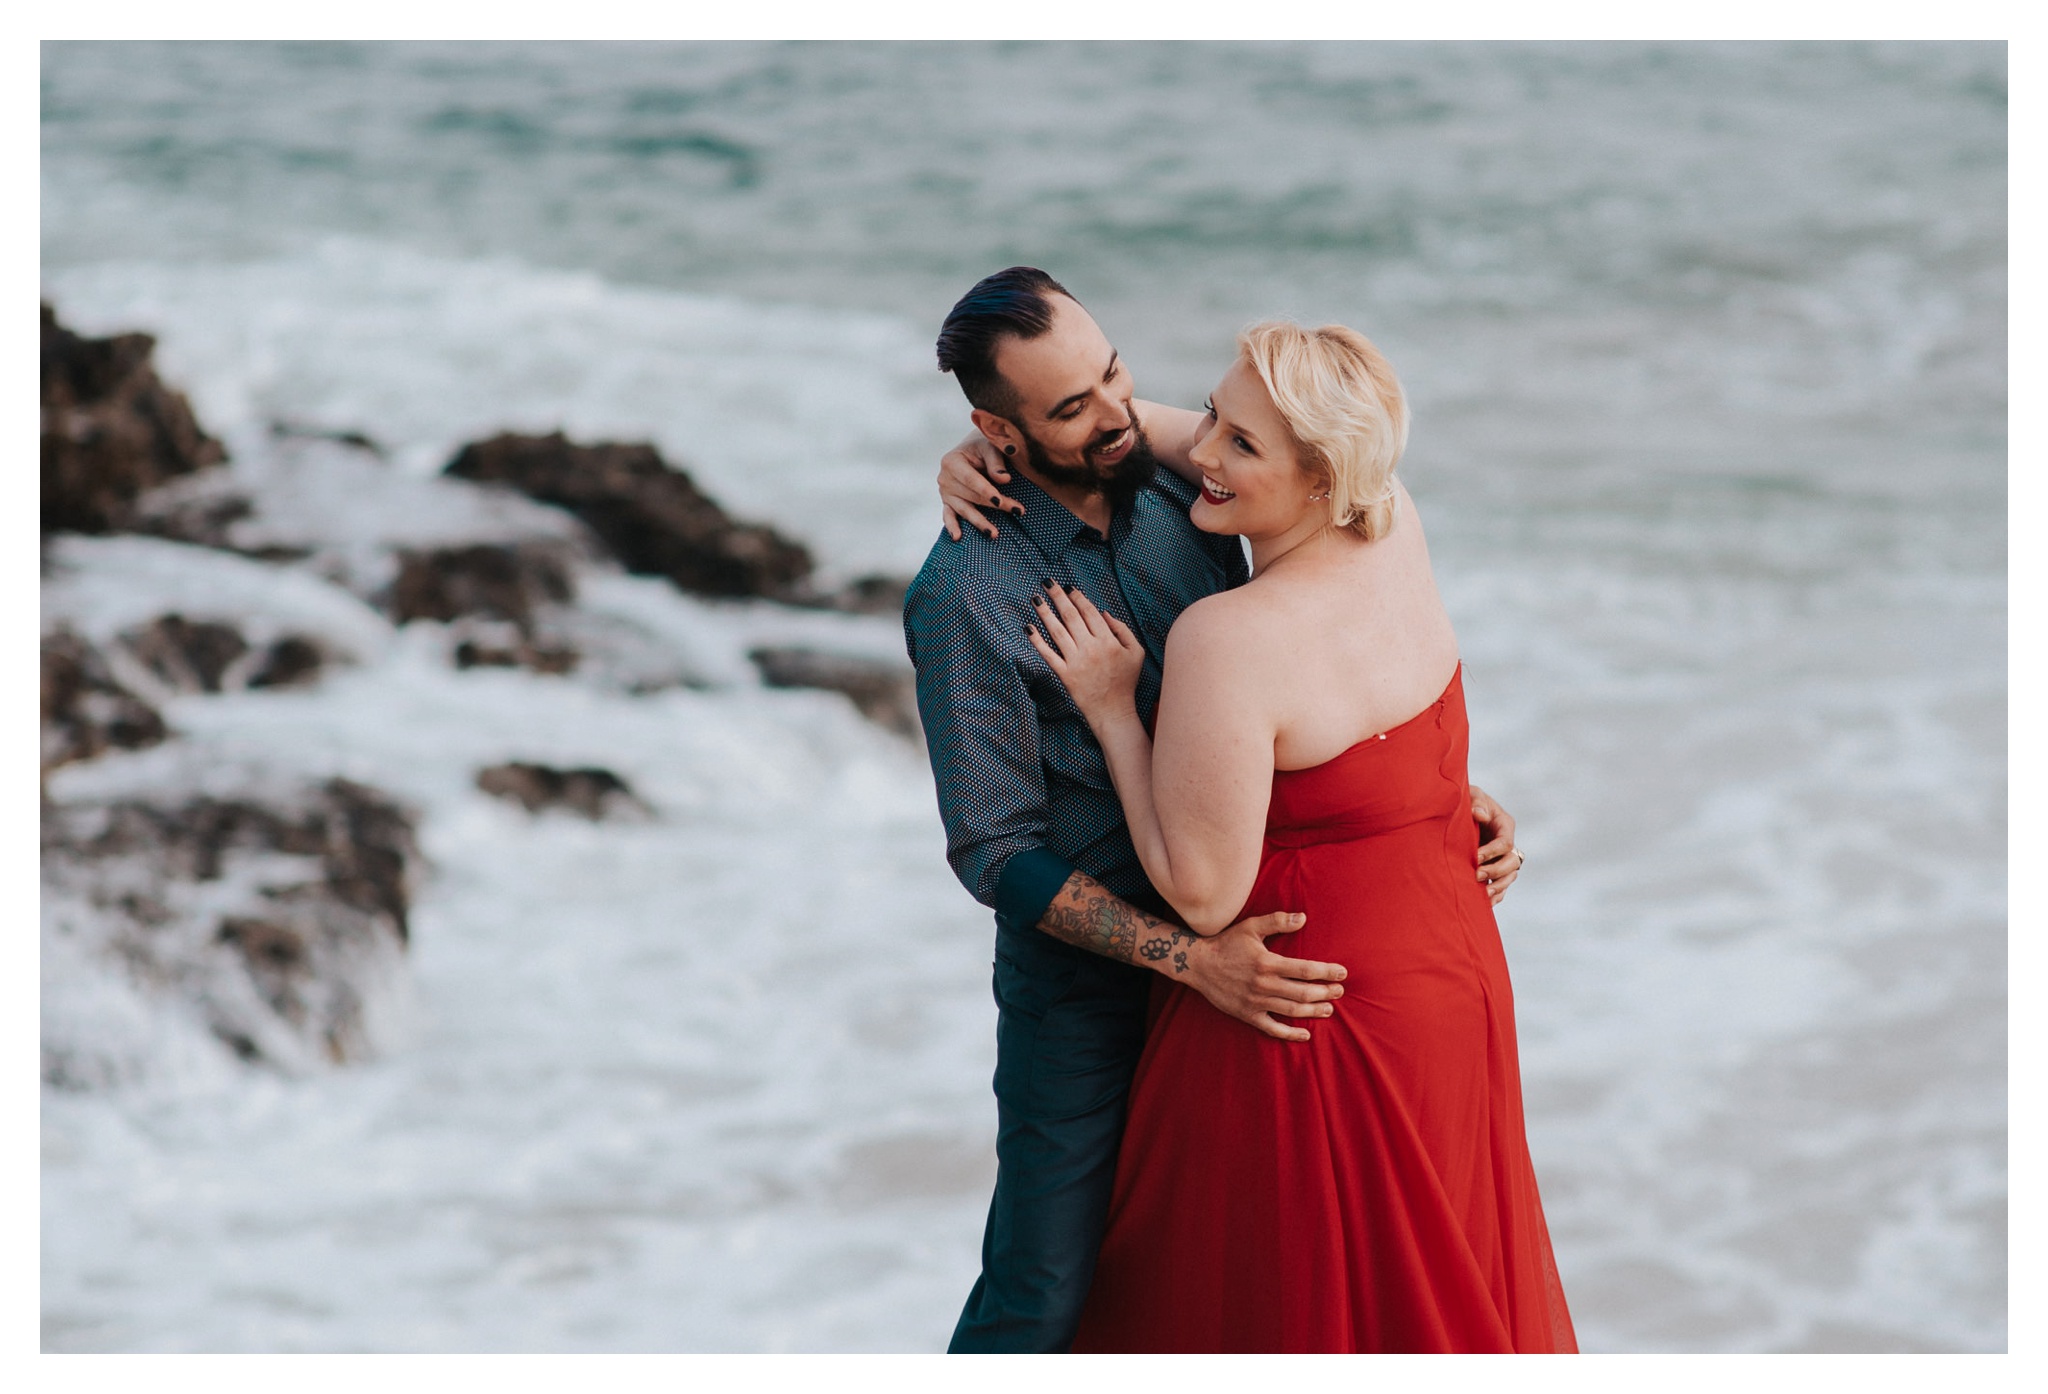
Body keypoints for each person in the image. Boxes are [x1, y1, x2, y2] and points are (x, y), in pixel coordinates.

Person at [905, 267, 1526, 1353]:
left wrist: (1412, 797)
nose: (1112, 417)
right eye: (1065, 408)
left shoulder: (1179, 489)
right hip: (1099, 985)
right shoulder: (967, 594)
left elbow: (1300, 495)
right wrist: (1185, 959)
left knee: (1245, 1286)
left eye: (1112, 375)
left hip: (1256, 946)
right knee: (1045, 1291)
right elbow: (994, 852)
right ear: (995, 428)